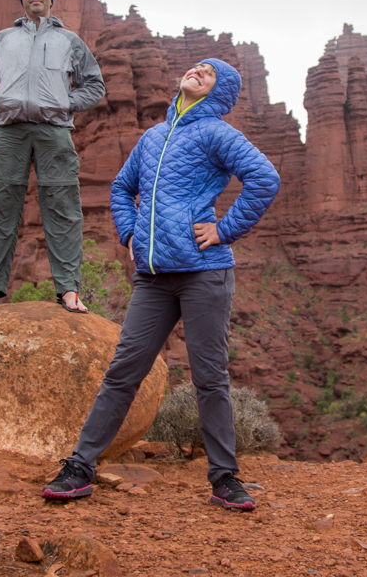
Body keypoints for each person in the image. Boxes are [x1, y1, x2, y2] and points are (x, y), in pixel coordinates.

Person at [42, 58, 280, 511]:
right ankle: (79, 467)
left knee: (209, 378)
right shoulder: (153, 136)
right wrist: (130, 233)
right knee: (123, 372)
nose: (197, 72)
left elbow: (264, 179)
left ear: (218, 92)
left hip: (204, 272)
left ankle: (225, 478)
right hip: (153, 278)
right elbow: (120, 187)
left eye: (208, 74)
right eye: (196, 67)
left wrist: (223, 231)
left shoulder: (216, 133)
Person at [0, 0, 105, 316]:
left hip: (54, 132)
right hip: (9, 131)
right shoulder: (3, 39)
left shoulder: (70, 40)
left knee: (63, 206)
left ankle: (68, 289)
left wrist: (67, 103)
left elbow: (94, 86)